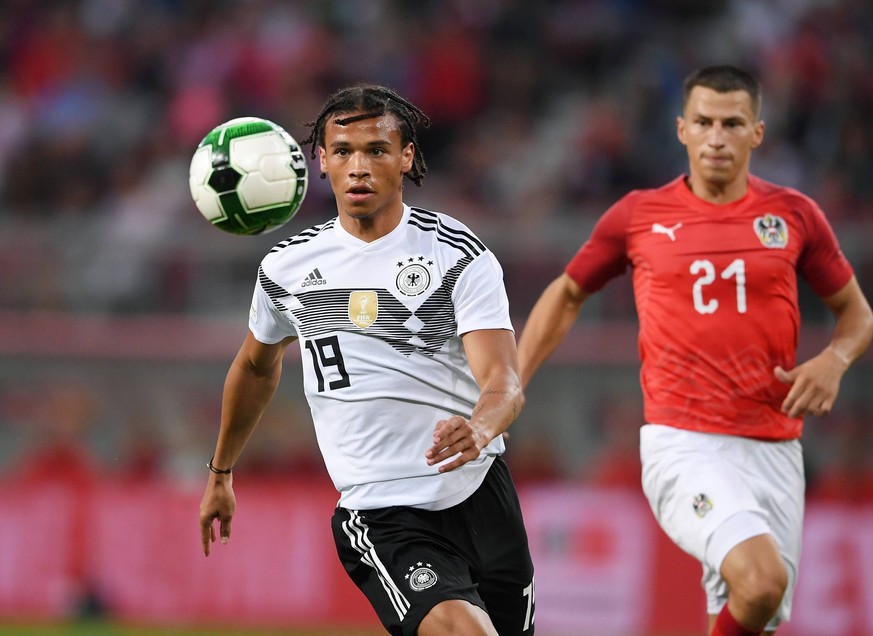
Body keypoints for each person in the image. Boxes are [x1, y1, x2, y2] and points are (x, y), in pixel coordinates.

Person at [517, 65, 873, 636]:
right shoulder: (639, 215)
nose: (716, 137)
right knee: (761, 579)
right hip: (685, 445)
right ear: (681, 129)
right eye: (704, 122)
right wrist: (513, 384)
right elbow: (565, 294)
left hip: (776, 449)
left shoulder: (795, 215)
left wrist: (834, 359)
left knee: (749, 613)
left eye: (732, 123)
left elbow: (856, 313)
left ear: (757, 132)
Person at [199, 84, 535, 636]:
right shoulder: (287, 269)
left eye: (376, 150)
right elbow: (256, 366)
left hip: (482, 495)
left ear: (405, 158)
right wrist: (221, 472)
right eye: (344, 150)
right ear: (322, 160)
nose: (359, 166)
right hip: (381, 512)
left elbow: (504, 380)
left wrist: (479, 426)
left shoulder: (456, 255)